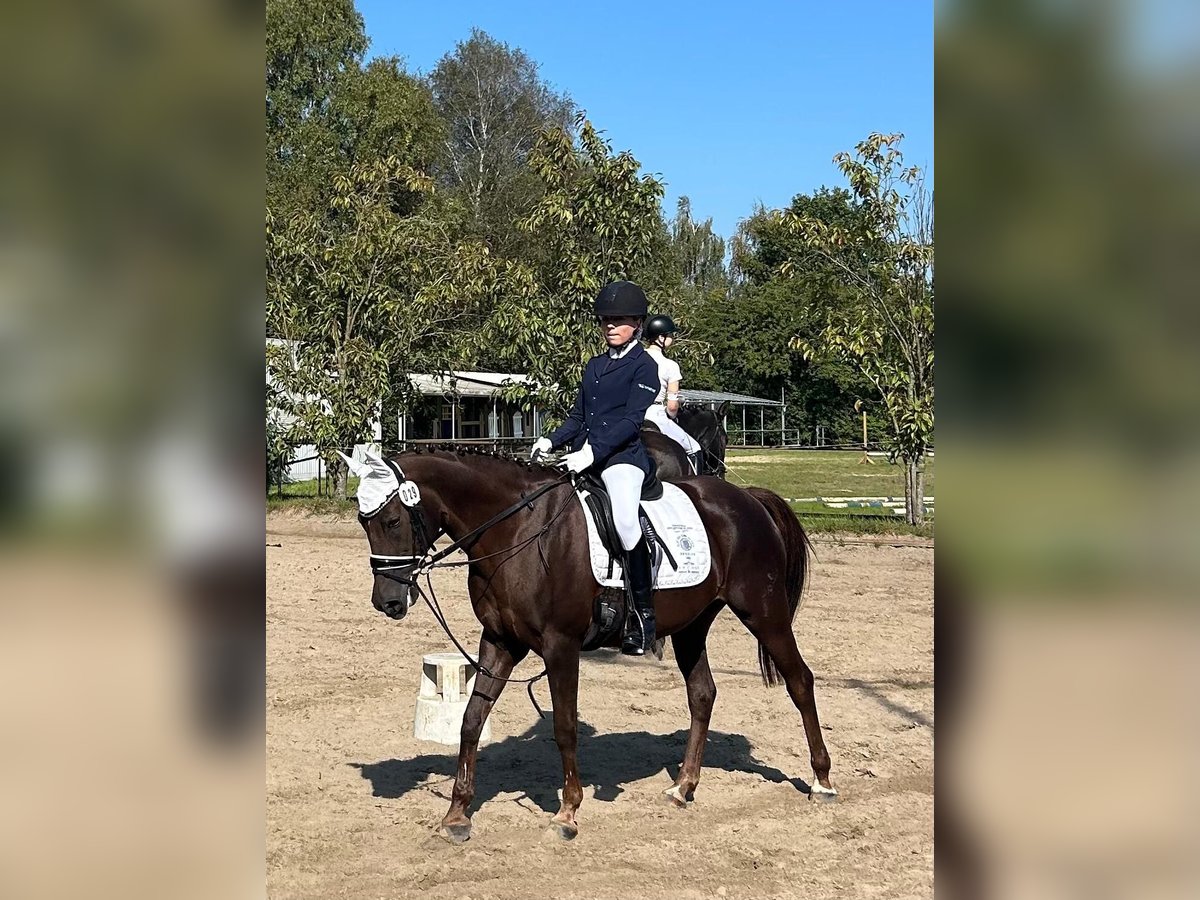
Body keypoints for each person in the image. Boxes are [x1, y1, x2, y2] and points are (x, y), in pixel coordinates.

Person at [530, 281, 660, 655]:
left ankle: (642, 616)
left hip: (622, 458)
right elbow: (578, 417)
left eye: (617, 319)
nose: (609, 325)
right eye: (605, 319)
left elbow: (631, 423)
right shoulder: (595, 365)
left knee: (623, 520)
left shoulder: (645, 367)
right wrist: (551, 440)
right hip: (583, 454)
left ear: (637, 322)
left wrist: (592, 453)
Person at [642, 314, 703, 474]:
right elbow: (672, 406)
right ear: (660, 337)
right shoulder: (670, 365)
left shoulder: (634, 359)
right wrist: (672, 415)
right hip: (655, 414)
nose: (672, 338)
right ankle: (696, 484)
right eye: (670, 335)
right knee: (694, 448)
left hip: (630, 412)